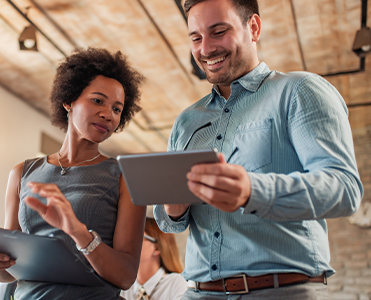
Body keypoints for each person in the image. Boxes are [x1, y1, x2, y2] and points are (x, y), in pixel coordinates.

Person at [153, 0, 363, 299]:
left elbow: (344, 189)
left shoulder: (299, 91)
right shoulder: (186, 121)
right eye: (196, 38)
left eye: (219, 32)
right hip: (197, 292)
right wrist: (172, 210)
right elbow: (170, 224)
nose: (206, 48)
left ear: (253, 27)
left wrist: (252, 191)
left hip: (281, 291)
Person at [0, 47, 147, 299]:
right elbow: (9, 270)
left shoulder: (126, 176)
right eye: (98, 101)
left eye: (117, 109)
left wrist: (79, 232)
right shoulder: (22, 172)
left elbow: (126, 276)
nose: (108, 114)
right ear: (69, 100)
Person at [120, 217, 188, 300]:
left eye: (136, 237)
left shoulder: (176, 284)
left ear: (157, 248)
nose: (128, 241)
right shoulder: (122, 287)